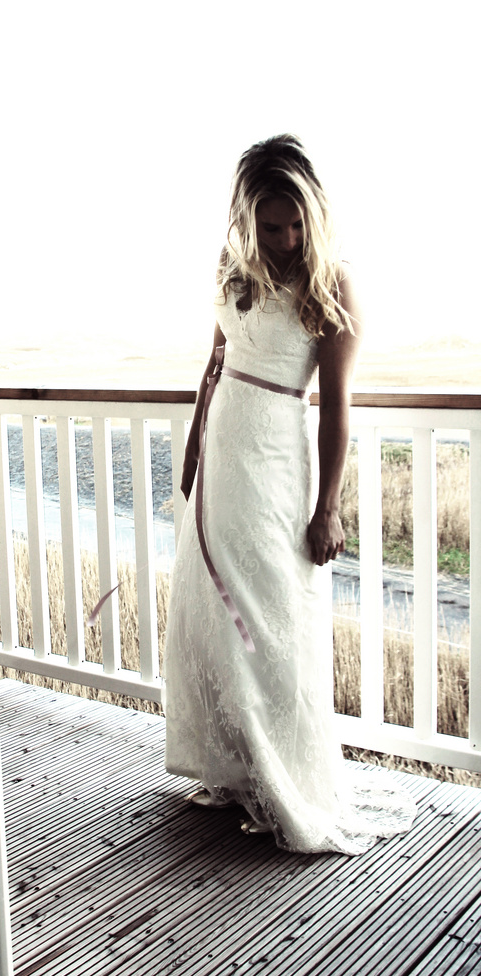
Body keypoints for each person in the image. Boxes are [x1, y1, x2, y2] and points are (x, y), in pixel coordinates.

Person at [163, 134, 417, 855]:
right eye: (270, 225)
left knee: (275, 621)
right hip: (222, 458)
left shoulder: (333, 282)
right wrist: (191, 453)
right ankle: (235, 770)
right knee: (213, 614)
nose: (283, 239)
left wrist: (328, 506)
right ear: (247, 216)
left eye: (294, 224)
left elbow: (336, 405)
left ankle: (288, 780)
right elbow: (213, 364)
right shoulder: (231, 267)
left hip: (278, 463)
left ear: (313, 215)